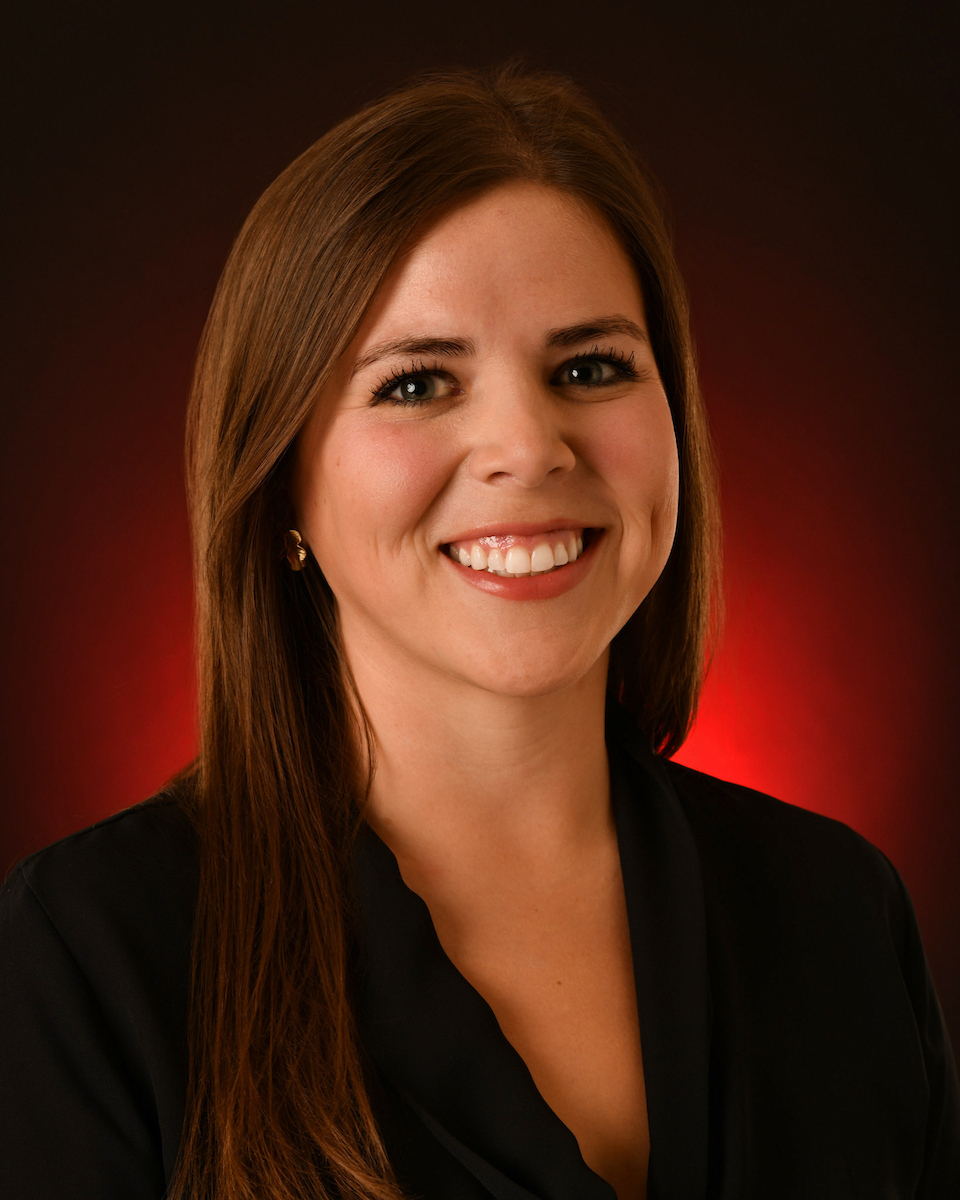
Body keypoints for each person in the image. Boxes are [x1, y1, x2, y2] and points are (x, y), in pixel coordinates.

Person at [1, 64, 957, 1200]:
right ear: (283, 486)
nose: (528, 445)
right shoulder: (87, 956)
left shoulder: (842, 914)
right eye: (415, 385)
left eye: (592, 368)